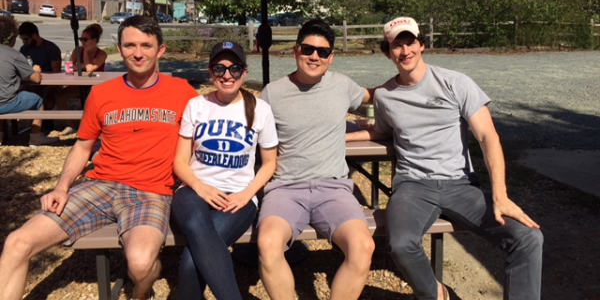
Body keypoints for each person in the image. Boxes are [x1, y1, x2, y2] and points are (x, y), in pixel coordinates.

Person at [0, 15, 198, 300]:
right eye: (130, 45)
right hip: (100, 184)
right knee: (17, 242)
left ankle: (141, 294)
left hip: (151, 192)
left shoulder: (182, 93)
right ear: (120, 47)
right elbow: (82, 146)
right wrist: (61, 187)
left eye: (146, 45)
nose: (138, 53)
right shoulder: (102, 92)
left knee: (142, 265)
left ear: (160, 50)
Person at [347, 16, 544, 300]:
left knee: (528, 238)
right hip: (413, 186)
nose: (405, 51)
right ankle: (438, 294)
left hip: (460, 185)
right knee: (401, 245)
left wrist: (500, 195)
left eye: (410, 42)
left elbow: (488, 136)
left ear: (422, 44)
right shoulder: (385, 97)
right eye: (396, 46)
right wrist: (343, 136)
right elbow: (380, 132)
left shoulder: (455, 83)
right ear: (388, 52)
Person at [257, 19, 375, 300]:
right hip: (285, 188)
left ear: (331, 57)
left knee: (363, 246)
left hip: (333, 189)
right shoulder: (273, 93)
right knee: (267, 243)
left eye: (323, 52)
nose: (315, 56)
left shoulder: (343, 86)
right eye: (308, 49)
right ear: (296, 50)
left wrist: (373, 125)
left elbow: (375, 98)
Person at [171, 41, 278, 300]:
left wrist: (247, 193)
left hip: (237, 197)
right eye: (219, 69)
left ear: (245, 72)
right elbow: (180, 162)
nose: (227, 75)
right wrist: (199, 186)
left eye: (234, 69)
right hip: (193, 191)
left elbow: (270, 162)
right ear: (211, 72)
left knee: (190, 262)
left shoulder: (261, 110)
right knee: (197, 224)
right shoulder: (196, 106)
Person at [0, 16, 59, 147]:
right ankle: (35, 137)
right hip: (7, 101)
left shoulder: (50, 47)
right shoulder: (14, 54)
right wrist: (36, 70)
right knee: (38, 100)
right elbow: (36, 78)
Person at [55, 23, 108, 135]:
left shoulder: (102, 54)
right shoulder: (77, 50)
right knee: (59, 96)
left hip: (95, 85)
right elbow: (69, 68)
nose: (82, 42)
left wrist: (86, 53)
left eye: (85, 39)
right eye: (81, 39)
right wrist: (82, 63)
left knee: (92, 102)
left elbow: (89, 69)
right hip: (79, 83)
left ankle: (94, 126)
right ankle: (70, 125)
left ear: (94, 41)